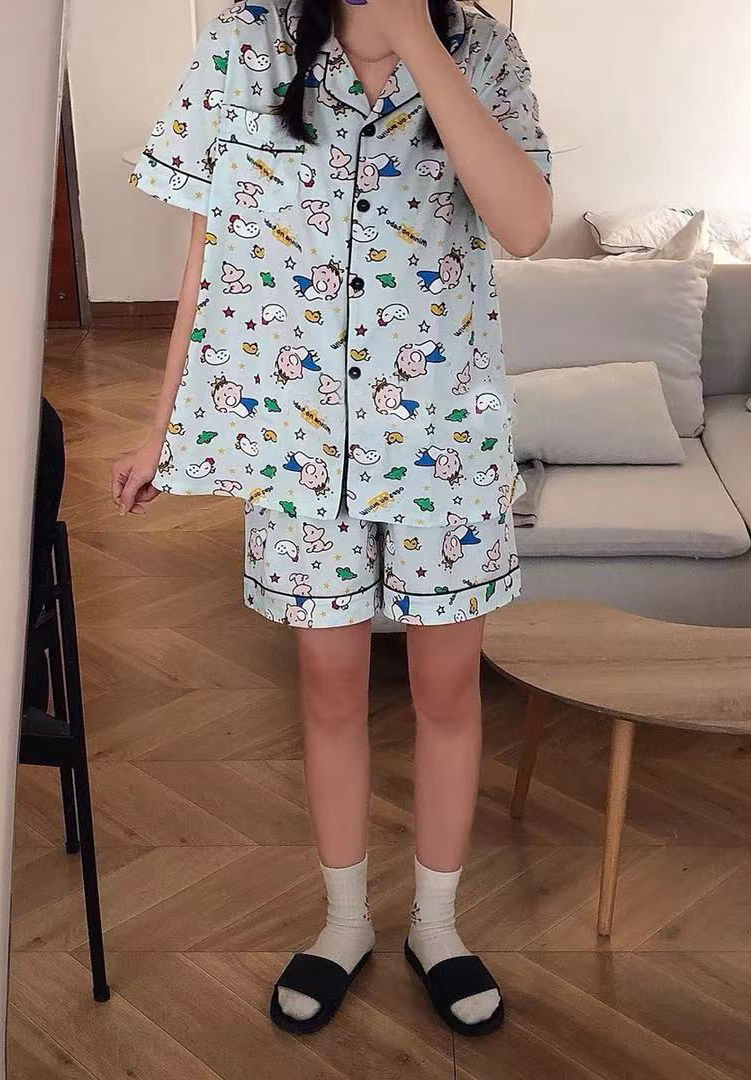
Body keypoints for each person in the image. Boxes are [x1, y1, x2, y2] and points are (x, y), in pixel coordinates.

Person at [114, 0, 552, 1037]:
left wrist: (418, 40)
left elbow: (527, 226)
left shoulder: (484, 51)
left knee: (448, 687)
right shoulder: (243, 44)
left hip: (444, 435)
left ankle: (437, 926)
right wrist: (162, 425)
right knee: (326, 685)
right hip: (296, 443)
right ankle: (345, 920)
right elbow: (209, 256)